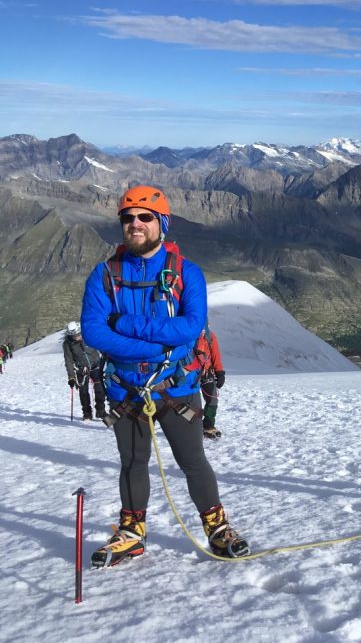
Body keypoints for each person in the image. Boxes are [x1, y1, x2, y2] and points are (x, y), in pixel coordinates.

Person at [80, 184, 249, 567]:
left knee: (193, 461)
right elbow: (93, 333)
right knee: (132, 462)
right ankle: (131, 532)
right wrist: (159, 348)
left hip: (175, 387)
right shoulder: (103, 274)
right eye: (128, 217)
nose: (135, 223)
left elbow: (190, 328)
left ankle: (217, 528)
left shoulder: (187, 273)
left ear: (162, 224)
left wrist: (123, 323)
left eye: (145, 217)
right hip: (129, 390)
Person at [62, 321, 107, 420]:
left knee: (100, 389)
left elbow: (100, 346)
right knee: (83, 392)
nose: (77, 337)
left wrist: (107, 355)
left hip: (96, 366)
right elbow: (68, 360)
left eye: (78, 334)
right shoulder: (68, 344)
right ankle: (87, 413)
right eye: (74, 336)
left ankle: (101, 411)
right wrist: (71, 377)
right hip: (81, 369)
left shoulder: (88, 336)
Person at [189, 323, 226, 439]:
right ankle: (190, 424)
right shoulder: (186, 335)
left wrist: (220, 372)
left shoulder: (210, 337)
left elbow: (215, 356)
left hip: (206, 372)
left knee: (212, 399)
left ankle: (208, 425)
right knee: (188, 401)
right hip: (189, 373)